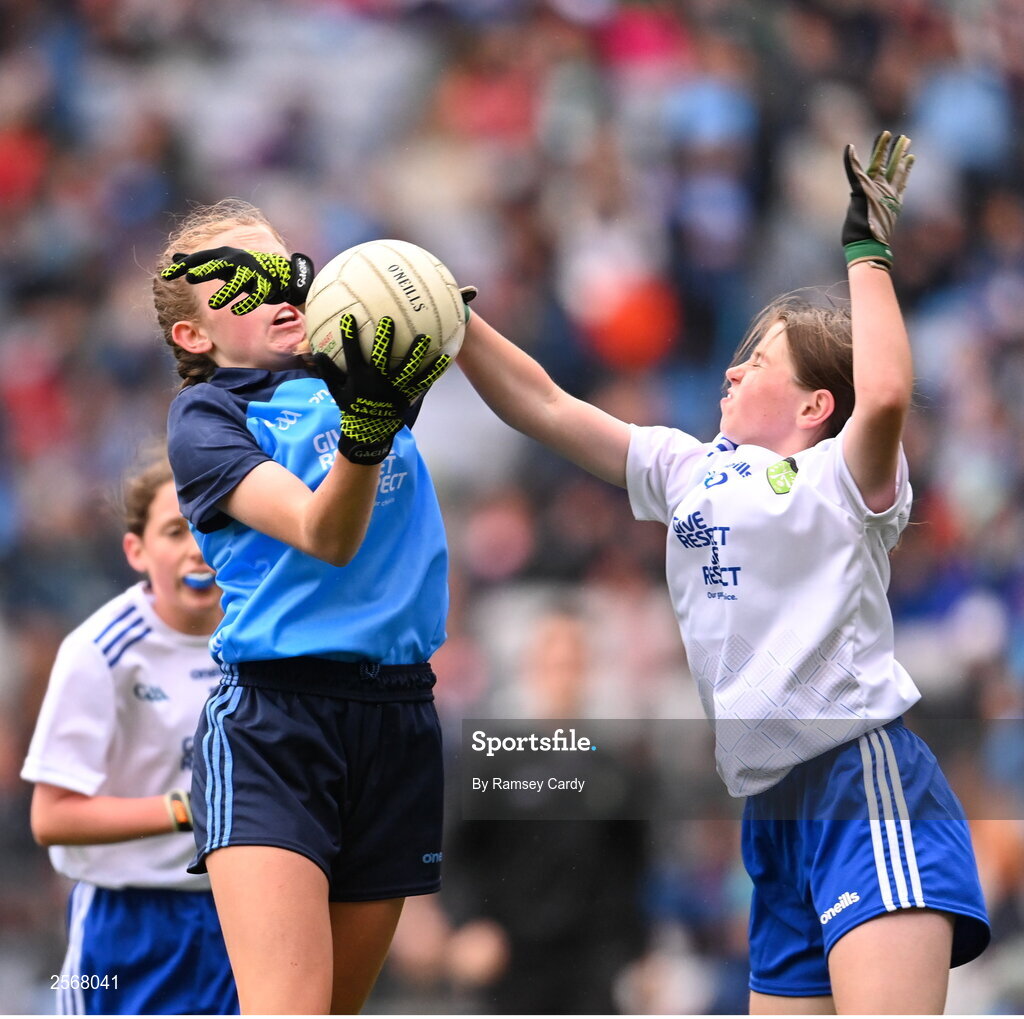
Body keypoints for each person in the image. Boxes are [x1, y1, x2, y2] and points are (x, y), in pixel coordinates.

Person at [453, 131, 992, 1013]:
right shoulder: (684, 464)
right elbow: (547, 405)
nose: (733, 368)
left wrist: (866, 250)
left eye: (761, 360)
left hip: (862, 784)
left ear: (817, 405)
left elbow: (887, 392)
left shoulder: (841, 478)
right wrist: (456, 321)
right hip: (773, 812)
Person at [152, 199, 450, 1014]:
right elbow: (327, 533)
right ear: (194, 336)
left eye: (281, 266)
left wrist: (441, 309)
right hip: (276, 726)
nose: (275, 285)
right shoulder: (208, 417)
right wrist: (367, 431)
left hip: (399, 721)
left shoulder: (355, 370)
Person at [21, 453, 238, 1016]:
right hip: (127, 927)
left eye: (211, 521)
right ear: (136, 551)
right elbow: (52, 818)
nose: (196, 546)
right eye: (175, 529)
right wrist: (188, 809)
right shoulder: (99, 652)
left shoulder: (264, 638)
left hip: (244, 912)